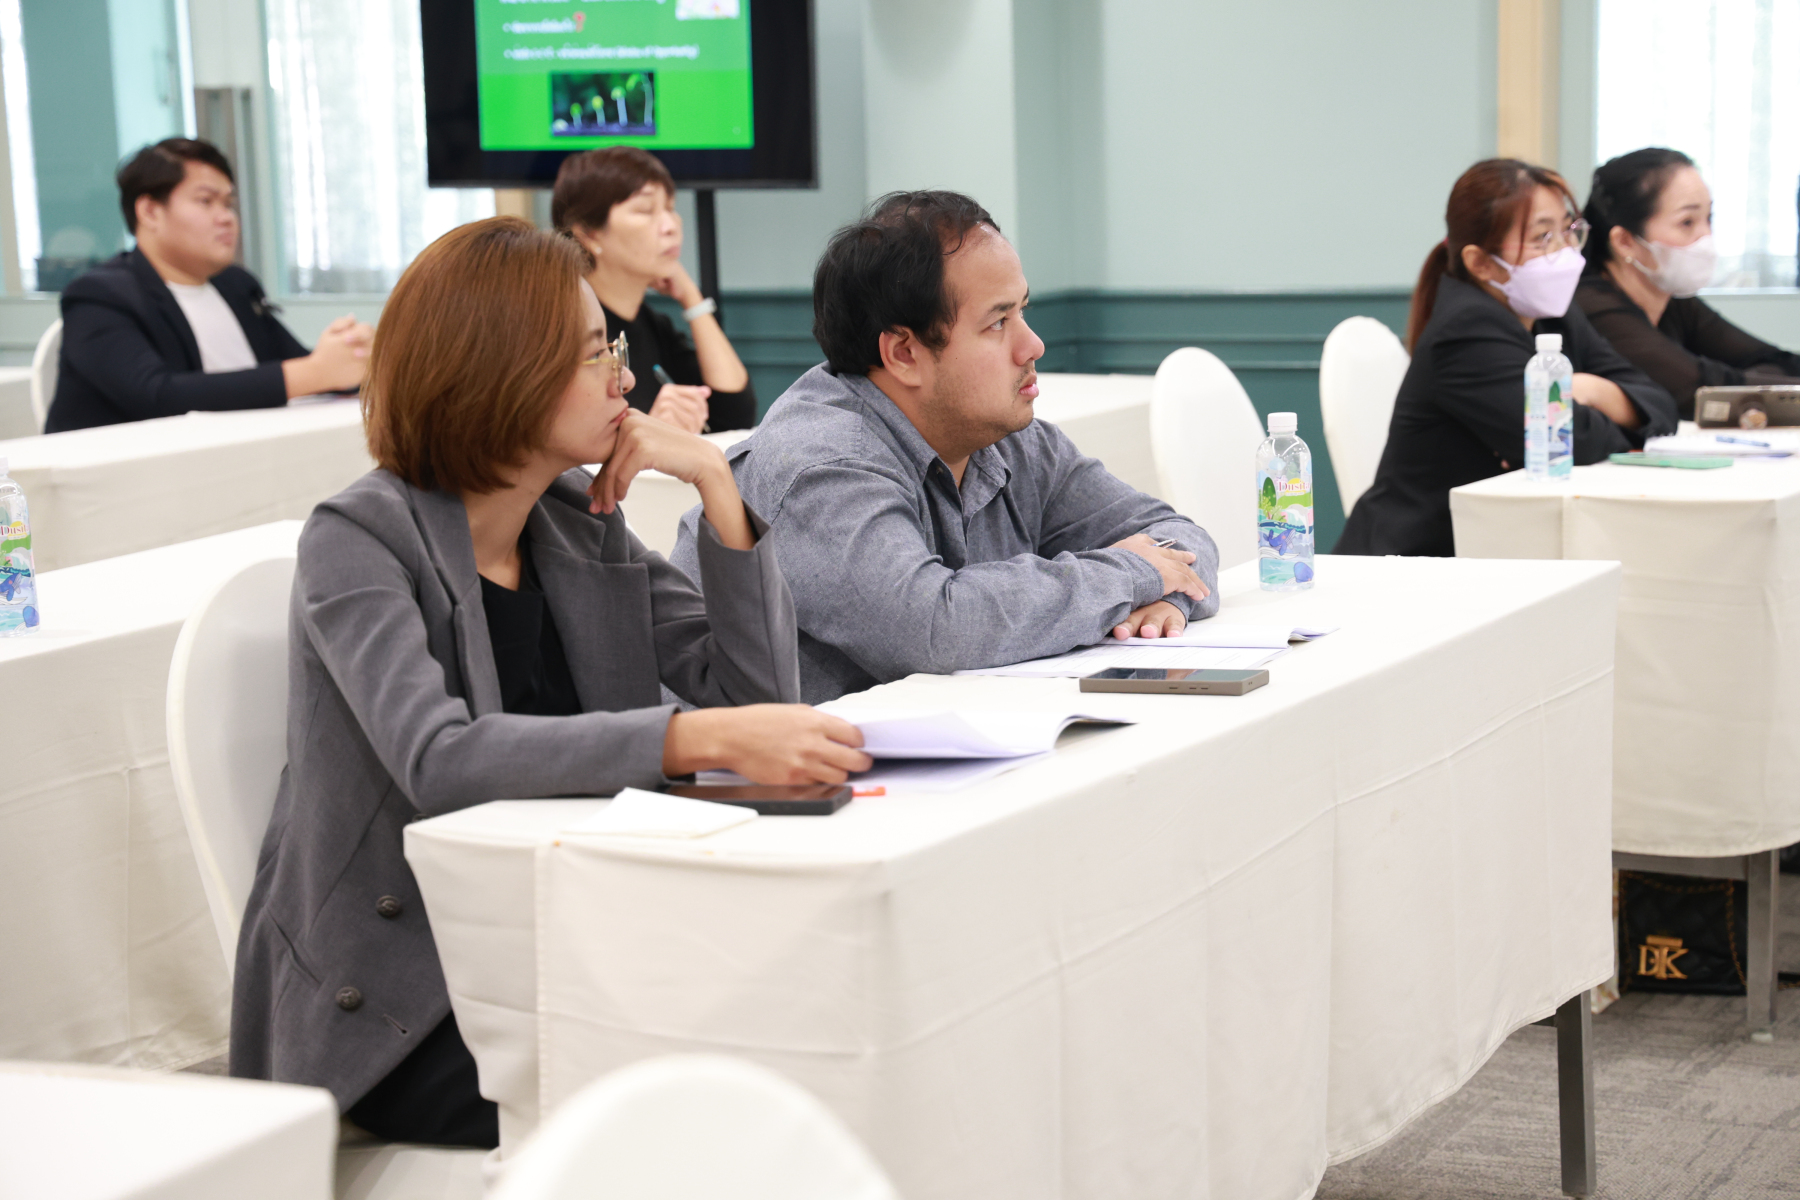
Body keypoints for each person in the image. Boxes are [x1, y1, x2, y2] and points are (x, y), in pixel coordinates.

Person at [229, 217, 870, 1147]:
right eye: (592, 354)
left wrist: (717, 487)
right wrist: (689, 738)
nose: (622, 378)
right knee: (694, 1107)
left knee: (803, 1038)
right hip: (404, 999)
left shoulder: (574, 516)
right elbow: (440, 759)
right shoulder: (359, 536)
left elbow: (757, 699)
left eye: (614, 349)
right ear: (495, 372)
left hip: (569, 936)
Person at [671, 191, 1220, 705]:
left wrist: (1165, 599)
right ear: (904, 354)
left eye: (1022, 312)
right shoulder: (819, 462)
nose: (1033, 344)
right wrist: (1132, 576)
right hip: (733, 773)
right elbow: (932, 630)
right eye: (998, 322)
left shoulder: (1010, 439)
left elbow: (1179, 539)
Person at [1337, 159, 1677, 558]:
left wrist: (1592, 391)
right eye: (1541, 237)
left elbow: (1659, 404)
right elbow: (1575, 444)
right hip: (1415, 562)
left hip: (1496, 547)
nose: (1564, 251)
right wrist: (1608, 416)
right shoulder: (1465, 331)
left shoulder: (1552, 312)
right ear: (1480, 263)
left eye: (1568, 230)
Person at [45, 138, 373, 433]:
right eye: (206, 201)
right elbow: (158, 396)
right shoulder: (99, 296)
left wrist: (350, 357)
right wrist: (316, 372)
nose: (226, 217)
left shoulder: (236, 286)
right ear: (150, 211)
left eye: (228, 204)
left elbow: (305, 366)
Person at [1576, 148, 1800, 419]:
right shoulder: (1593, 306)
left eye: (1709, 218)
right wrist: (1755, 386)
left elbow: (1776, 360)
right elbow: (1699, 390)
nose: (1706, 236)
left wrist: (1754, 384)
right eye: (1686, 222)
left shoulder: (1672, 299)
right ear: (1625, 242)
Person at [552, 147, 756, 433]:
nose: (671, 226)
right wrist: (649, 432)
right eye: (645, 211)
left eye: (670, 208)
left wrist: (691, 298)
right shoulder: (567, 328)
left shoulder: (651, 325)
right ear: (588, 233)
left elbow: (733, 414)